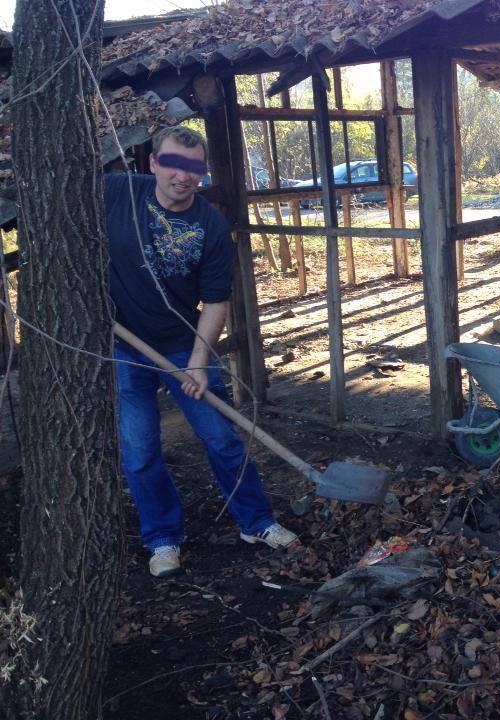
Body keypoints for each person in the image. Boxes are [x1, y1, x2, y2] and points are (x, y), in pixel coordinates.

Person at [106, 126, 297, 577]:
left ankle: (257, 522)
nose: (182, 176)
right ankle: (162, 538)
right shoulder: (117, 192)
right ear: (153, 163)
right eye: (173, 163)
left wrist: (197, 362)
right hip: (123, 347)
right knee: (139, 451)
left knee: (221, 438)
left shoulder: (211, 226)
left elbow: (215, 302)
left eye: (193, 167)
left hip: (182, 345)